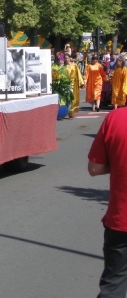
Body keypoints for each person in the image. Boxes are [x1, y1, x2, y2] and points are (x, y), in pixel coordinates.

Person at [88, 108, 127, 297]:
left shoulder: (115, 118)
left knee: (113, 286)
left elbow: (94, 168)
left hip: (121, 222)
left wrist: (118, 164)